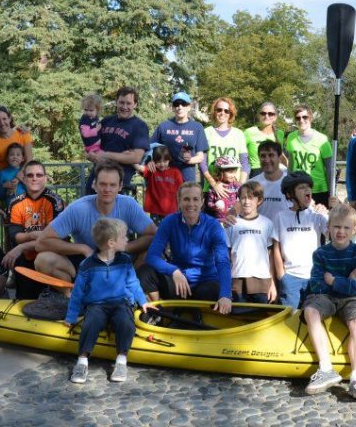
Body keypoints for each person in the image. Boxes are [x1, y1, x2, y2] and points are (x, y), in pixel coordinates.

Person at [34, 160, 157, 283]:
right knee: (43, 260)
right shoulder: (78, 208)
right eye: (103, 184)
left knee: (152, 252)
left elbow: (154, 235)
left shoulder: (128, 204)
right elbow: (41, 243)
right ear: (94, 185)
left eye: (112, 185)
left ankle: (127, 286)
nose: (107, 189)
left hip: (120, 259)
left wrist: (125, 247)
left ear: (120, 186)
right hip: (86, 263)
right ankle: (72, 296)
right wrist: (83, 248)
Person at [65, 218, 152, 384]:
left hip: (121, 303)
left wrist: (142, 300)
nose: (128, 239)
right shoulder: (87, 265)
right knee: (91, 323)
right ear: (112, 242)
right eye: (124, 237)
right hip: (96, 305)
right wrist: (71, 316)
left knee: (125, 322)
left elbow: (133, 282)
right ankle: (82, 361)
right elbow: (77, 293)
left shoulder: (125, 261)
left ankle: (121, 361)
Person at [302, 203, 356, 399]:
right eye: (336, 227)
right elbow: (316, 286)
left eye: (346, 228)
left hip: (353, 299)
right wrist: (346, 281)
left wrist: (334, 280)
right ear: (328, 228)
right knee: (310, 310)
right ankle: (326, 369)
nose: (341, 232)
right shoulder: (321, 254)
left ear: (353, 230)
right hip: (327, 298)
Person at [137, 182, 232, 314]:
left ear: (202, 202)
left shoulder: (213, 225)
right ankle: (161, 313)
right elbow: (152, 256)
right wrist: (174, 271)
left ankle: (197, 318)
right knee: (145, 273)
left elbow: (223, 262)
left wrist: (225, 295)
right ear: (179, 201)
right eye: (186, 199)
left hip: (205, 282)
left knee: (213, 291)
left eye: (195, 199)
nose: (191, 204)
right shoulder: (169, 221)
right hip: (178, 283)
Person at [2, 161, 65, 299]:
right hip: (25, 257)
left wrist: (29, 238)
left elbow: (55, 238)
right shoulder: (15, 203)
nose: (34, 178)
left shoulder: (55, 201)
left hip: (51, 256)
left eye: (39, 175)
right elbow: (15, 236)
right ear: (23, 179)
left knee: (52, 301)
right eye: (30, 175)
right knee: (25, 301)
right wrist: (34, 235)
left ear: (45, 178)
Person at [272, 171, 329, 308]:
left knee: (312, 315)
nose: (307, 190)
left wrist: (326, 215)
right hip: (290, 277)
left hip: (314, 276)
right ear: (290, 194)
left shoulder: (316, 215)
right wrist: (282, 277)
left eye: (308, 187)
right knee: (290, 318)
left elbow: (333, 236)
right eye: (301, 188)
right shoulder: (280, 217)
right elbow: (276, 249)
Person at [85, 86, 149, 195]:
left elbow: (136, 157)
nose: (124, 106)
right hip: (95, 181)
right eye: (121, 102)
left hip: (117, 186)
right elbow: (90, 145)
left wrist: (106, 155)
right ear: (116, 102)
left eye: (128, 103)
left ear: (135, 105)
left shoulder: (139, 126)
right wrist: (91, 154)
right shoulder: (106, 121)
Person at [225, 181, 277, 303]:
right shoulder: (231, 224)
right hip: (237, 281)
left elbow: (270, 257)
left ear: (259, 200)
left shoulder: (267, 224)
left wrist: (272, 284)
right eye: (243, 198)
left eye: (251, 198)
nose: (246, 202)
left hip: (262, 283)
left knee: (262, 318)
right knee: (239, 319)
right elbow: (226, 256)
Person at [149, 92, 208, 182]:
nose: (180, 107)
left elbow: (200, 157)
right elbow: (149, 147)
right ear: (172, 107)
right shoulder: (164, 126)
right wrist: (149, 161)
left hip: (187, 179)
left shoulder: (197, 127)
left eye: (183, 104)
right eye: (176, 104)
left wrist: (189, 160)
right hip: (165, 179)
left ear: (189, 107)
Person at [284, 105, 333, 207]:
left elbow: (329, 168)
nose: (301, 120)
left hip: (319, 189)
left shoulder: (322, 139)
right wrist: (288, 185)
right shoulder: (291, 138)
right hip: (298, 189)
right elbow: (291, 164)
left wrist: (331, 192)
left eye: (304, 117)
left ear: (310, 118)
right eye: (298, 118)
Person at [201, 97, 249, 199]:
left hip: (234, 190)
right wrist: (214, 184)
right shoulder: (206, 132)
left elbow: (245, 163)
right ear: (214, 112)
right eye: (219, 110)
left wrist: (240, 185)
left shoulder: (238, 134)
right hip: (211, 189)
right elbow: (202, 163)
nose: (222, 113)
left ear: (230, 113)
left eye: (226, 110)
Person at [134, 145, 183, 223]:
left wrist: (181, 205)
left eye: (165, 161)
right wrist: (132, 159)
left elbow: (182, 189)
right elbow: (140, 168)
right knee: (156, 231)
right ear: (154, 161)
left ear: (169, 160)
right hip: (155, 209)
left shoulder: (176, 173)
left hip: (171, 210)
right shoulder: (152, 170)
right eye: (158, 162)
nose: (162, 164)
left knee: (169, 231)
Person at [249, 140, 291, 223]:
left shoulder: (292, 183)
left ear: (280, 158)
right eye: (263, 156)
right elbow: (240, 207)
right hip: (261, 234)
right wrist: (232, 213)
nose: (267, 160)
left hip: (285, 233)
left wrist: (319, 208)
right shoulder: (251, 184)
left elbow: (307, 205)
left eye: (271, 155)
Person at [0, 105, 33, 182]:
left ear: (9, 119)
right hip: (4, 182)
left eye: (4, 119)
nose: (2, 123)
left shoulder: (23, 134)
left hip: (24, 179)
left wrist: (17, 178)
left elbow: (29, 159)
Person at [244, 102, 285, 178]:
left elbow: (280, 156)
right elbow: (241, 156)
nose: (266, 116)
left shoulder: (280, 134)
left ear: (275, 116)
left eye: (270, 114)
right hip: (255, 174)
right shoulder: (249, 132)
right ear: (259, 115)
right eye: (263, 113)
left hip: (274, 173)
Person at [204, 155, 242, 224]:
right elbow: (209, 203)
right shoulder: (214, 187)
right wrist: (215, 206)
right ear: (220, 172)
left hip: (234, 220)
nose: (233, 175)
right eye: (230, 172)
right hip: (219, 221)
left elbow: (241, 198)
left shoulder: (236, 185)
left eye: (235, 172)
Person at [0, 143, 27, 207]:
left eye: (18, 155)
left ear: (23, 158)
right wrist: (3, 186)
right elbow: (0, 196)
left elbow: (31, 192)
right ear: (7, 158)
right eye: (11, 154)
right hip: (11, 208)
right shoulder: (2, 173)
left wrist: (24, 182)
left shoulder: (25, 172)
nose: (15, 157)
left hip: (25, 207)